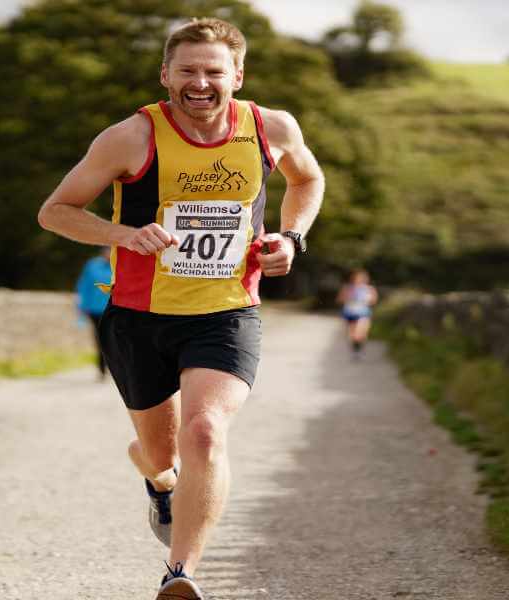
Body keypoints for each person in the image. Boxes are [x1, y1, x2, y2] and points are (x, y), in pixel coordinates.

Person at [37, 16, 325, 600]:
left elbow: (308, 179)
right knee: (161, 452)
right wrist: (123, 235)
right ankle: (159, 479)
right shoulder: (130, 138)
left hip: (226, 312)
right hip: (138, 317)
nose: (200, 82)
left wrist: (290, 239)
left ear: (237, 76)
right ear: (165, 74)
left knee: (206, 429)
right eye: (187, 70)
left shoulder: (271, 128)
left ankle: (181, 573)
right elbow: (56, 211)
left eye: (213, 71)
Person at [76, 246, 113, 380]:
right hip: (95, 310)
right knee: (100, 339)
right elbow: (83, 286)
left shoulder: (119, 264)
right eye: (106, 250)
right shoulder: (92, 265)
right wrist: (81, 306)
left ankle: (112, 367)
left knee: (112, 340)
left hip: (114, 310)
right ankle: (102, 370)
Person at [337, 268, 378, 356]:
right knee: (352, 335)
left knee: (360, 333)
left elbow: (374, 301)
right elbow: (340, 299)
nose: (358, 280)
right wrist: (348, 297)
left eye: (361, 278)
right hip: (350, 312)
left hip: (363, 313)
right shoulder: (347, 288)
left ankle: (359, 348)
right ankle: (356, 350)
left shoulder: (369, 289)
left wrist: (367, 300)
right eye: (357, 278)